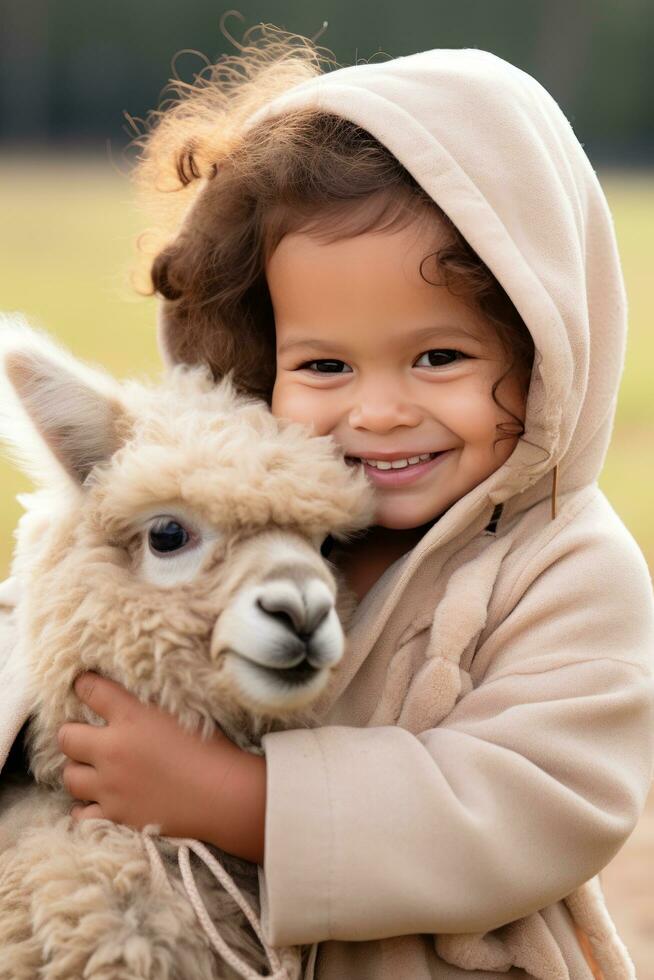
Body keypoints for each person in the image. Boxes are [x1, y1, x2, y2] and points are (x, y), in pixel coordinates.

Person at [1, 25, 653, 980]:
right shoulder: (258, 513)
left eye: (439, 357)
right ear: (261, 355)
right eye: (324, 365)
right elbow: (65, 626)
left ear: (542, 348)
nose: (379, 412)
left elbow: (545, 802)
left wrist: (241, 802)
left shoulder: (565, 569)